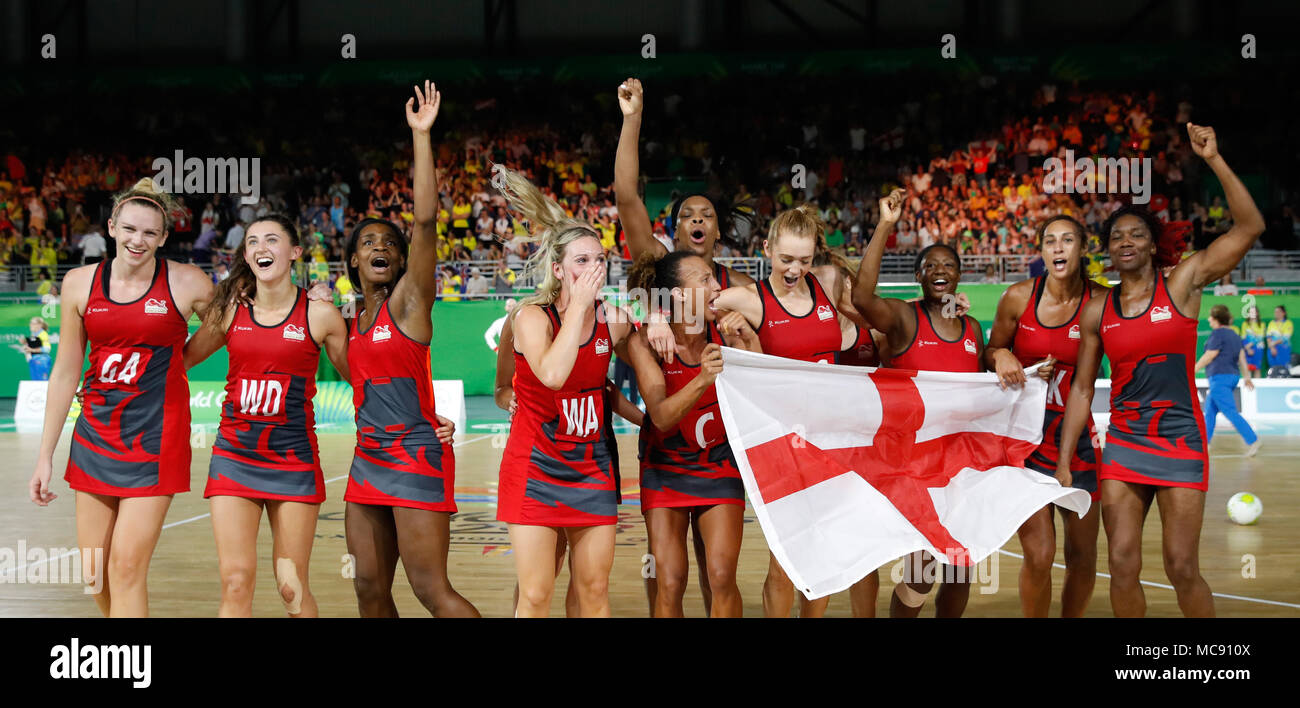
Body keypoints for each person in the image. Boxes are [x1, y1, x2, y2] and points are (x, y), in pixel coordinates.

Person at [1056, 123, 1265, 617]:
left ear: (1153, 244)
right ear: (1107, 251)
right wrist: (1066, 459)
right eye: (1116, 236)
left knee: (1181, 566)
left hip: (1179, 438)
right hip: (1125, 441)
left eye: (1137, 234)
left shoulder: (1184, 283)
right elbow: (1082, 389)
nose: (1126, 241)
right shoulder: (1096, 310)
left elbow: (1250, 227)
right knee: (1123, 564)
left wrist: (1213, 159)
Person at [658, 203, 866, 618]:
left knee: (820, 554)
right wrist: (655, 316)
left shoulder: (825, 282)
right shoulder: (747, 298)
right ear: (768, 249)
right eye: (786, 259)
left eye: (804, 260)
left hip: (830, 440)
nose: (794, 270)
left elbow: (864, 326)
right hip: (782, 444)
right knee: (785, 560)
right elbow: (686, 303)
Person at [29, 178, 214, 617]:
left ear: (164, 237)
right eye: (130, 229)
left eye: (150, 233)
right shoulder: (77, 283)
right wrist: (44, 456)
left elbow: (232, 323)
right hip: (95, 438)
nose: (138, 240)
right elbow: (65, 371)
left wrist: (180, 360)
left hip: (156, 441)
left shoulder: (188, 282)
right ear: (112, 226)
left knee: (127, 567)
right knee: (95, 573)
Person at [341, 82, 479, 618]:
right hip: (366, 460)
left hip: (415, 458)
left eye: (390, 245)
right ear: (353, 261)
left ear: (402, 263)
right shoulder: (349, 322)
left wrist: (421, 136)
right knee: (369, 590)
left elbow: (425, 221)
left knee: (430, 590)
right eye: (368, 243)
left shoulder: (409, 307)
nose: (381, 247)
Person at [183, 214, 350, 618]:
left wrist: (424, 414)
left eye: (272, 240)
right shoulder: (230, 312)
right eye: (253, 241)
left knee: (291, 586)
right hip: (233, 458)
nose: (261, 247)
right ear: (245, 254)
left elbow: (365, 380)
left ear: (294, 253)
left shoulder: (320, 314)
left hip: (293, 460)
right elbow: (177, 361)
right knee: (236, 581)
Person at [495, 165, 636, 617]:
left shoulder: (612, 319)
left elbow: (622, 373)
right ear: (557, 269)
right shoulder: (532, 318)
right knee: (536, 595)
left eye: (600, 260)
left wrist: (657, 329)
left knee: (594, 592)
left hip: (591, 468)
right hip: (535, 467)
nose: (594, 269)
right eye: (582, 261)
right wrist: (578, 305)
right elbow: (553, 375)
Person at [853, 190, 990, 619]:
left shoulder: (973, 329)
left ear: (959, 275)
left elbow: (986, 392)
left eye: (948, 264)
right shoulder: (904, 317)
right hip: (912, 466)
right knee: (921, 572)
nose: (939, 270)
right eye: (930, 265)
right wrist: (885, 225)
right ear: (918, 276)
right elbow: (861, 298)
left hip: (962, 467)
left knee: (960, 571)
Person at [625, 251, 762, 617]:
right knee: (669, 581)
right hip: (665, 467)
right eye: (705, 280)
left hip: (718, 464)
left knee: (720, 575)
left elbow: (763, 393)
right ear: (681, 295)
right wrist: (703, 377)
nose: (717, 286)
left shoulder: (728, 330)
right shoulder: (645, 342)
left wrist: (748, 340)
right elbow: (662, 417)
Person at [984, 214, 1107, 618]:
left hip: (1080, 444)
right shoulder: (1019, 297)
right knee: (1039, 554)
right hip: (1026, 444)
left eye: (1067, 239)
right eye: (1050, 241)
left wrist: (1067, 459)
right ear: (1041, 251)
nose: (1058, 247)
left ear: (1082, 248)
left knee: (1082, 557)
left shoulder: (1102, 301)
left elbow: (1094, 379)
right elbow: (989, 353)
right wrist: (1001, 354)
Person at [1195, 304, 1259, 456]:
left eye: (1211, 316)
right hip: (1231, 376)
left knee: (1230, 411)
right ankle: (1204, 444)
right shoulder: (1234, 335)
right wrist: (1247, 377)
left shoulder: (1217, 334)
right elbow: (1242, 357)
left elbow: (1211, 354)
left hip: (1220, 377)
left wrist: (1194, 369)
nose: (1209, 319)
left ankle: (1253, 440)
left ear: (1216, 319)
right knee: (1210, 411)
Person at [19, 316, 52, 380]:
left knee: (42, 382)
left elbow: (47, 349)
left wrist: (31, 350)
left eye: (33, 323)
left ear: (40, 325)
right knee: (35, 383)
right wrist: (25, 343)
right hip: (33, 360)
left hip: (41, 360)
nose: (30, 325)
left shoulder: (43, 334)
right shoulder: (34, 334)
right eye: (30, 323)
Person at [1266, 305, 1293, 374]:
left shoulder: (1288, 323)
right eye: (1275, 312)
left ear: (1284, 313)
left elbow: (1286, 337)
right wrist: (1272, 348)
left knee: (1283, 370)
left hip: (1284, 350)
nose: (1277, 313)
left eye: (1279, 311)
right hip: (1272, 350)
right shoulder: (1271, 323)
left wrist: (1273, 344)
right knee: (1273, 370)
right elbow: (1268, 336)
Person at [1240, 305, 1265, 377]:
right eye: (1250, 312)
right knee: (1248, 368)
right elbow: (1243, 337)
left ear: (1257, 313)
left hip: (1258, 348)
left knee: (1257, 368)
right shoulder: (1245, 324)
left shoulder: (1262, 324)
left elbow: (1260, 337)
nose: (1252, 313)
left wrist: (1250, 345)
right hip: (1247, 349)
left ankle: (1258, 386)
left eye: (1254, 312)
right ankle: (1248, 386)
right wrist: (1247, 349)